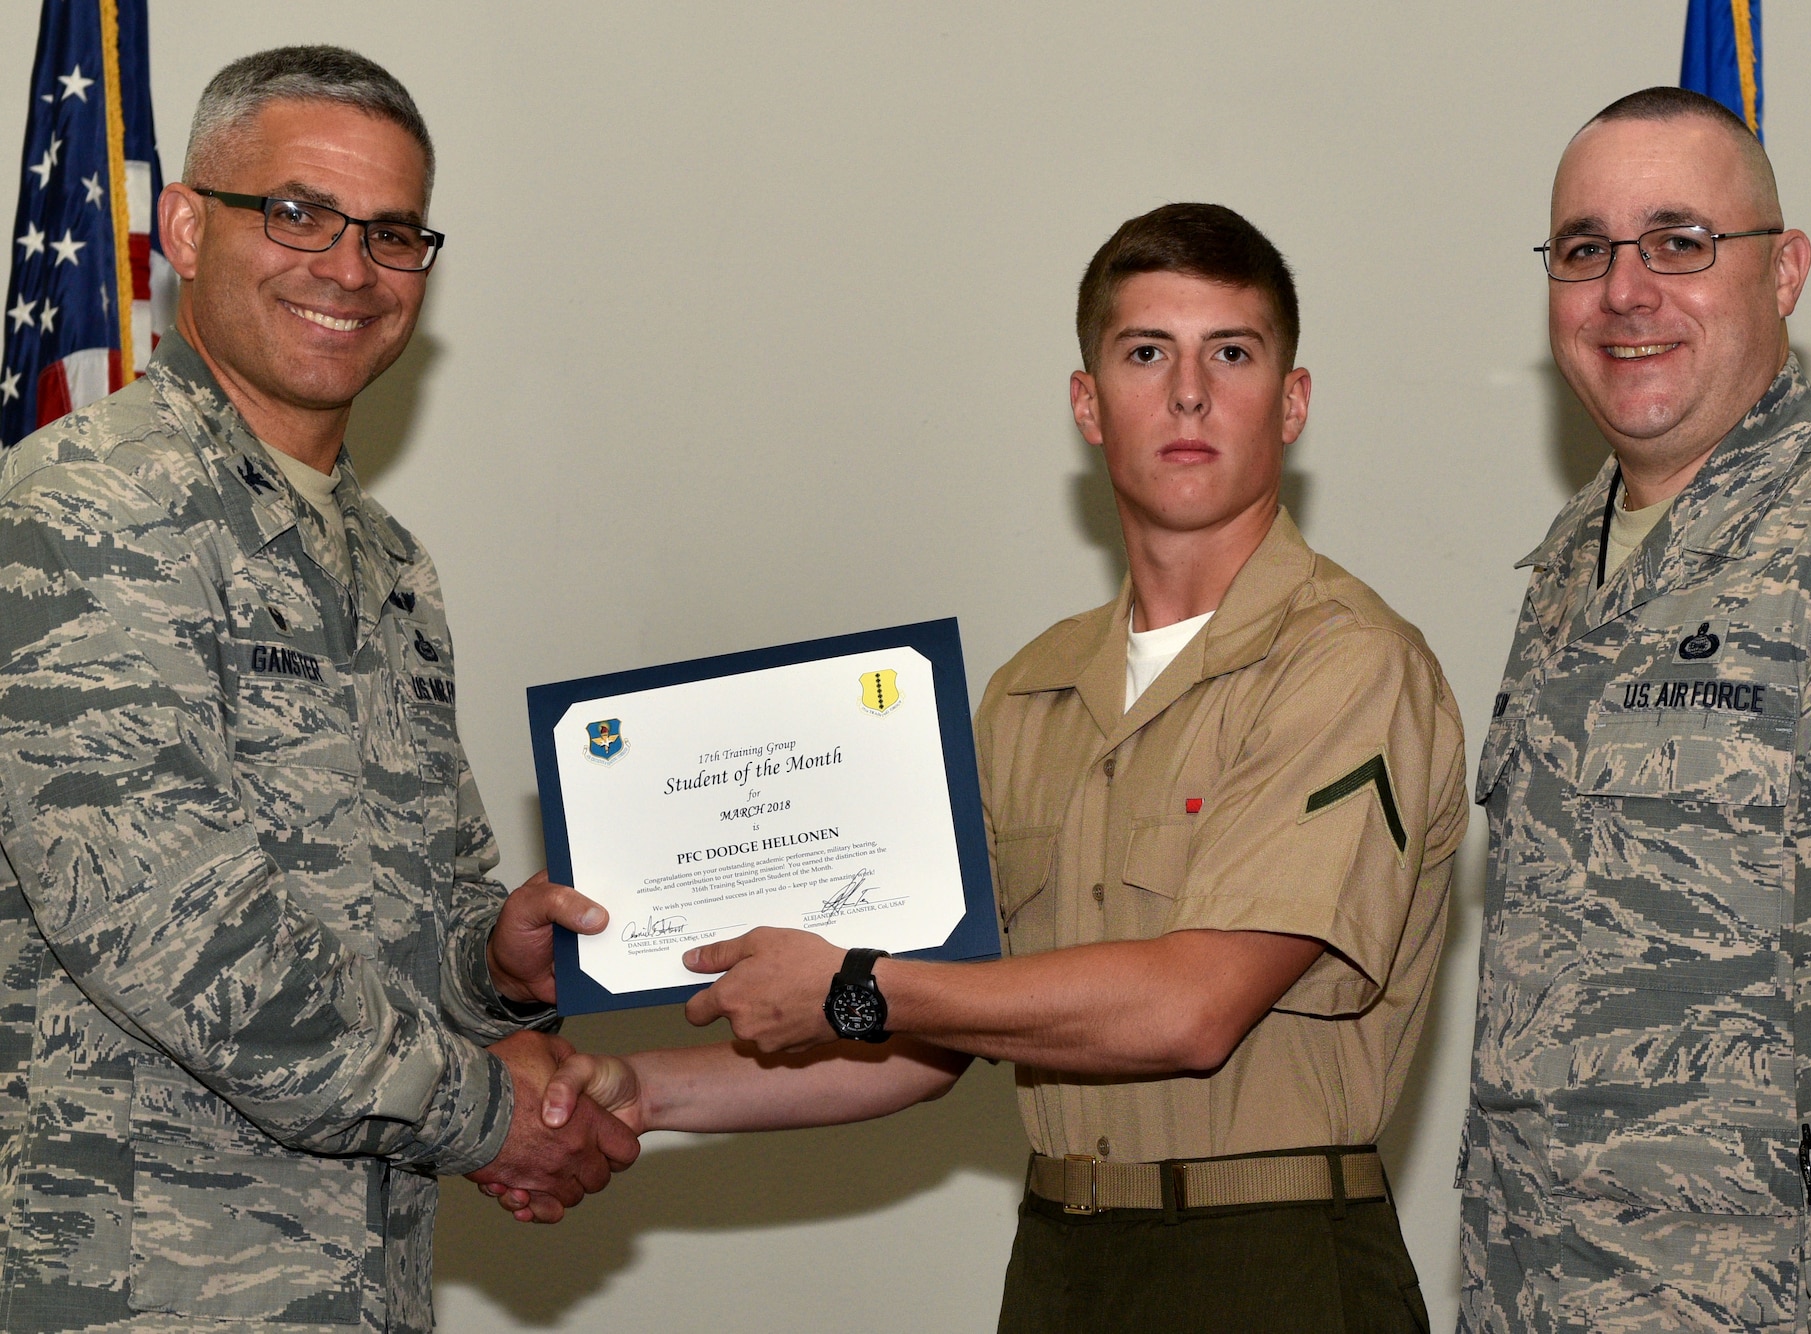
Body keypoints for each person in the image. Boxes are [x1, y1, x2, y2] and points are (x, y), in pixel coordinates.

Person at [499, 203, 1468, 1332]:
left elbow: (1193, 1006)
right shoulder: (1029, 693)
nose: (1189, 393)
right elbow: (925, 1044)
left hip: (1274, 1263)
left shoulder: (1346, 664)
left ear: (1290, 402)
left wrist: (858, 980)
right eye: (1145, 352)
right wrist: (638, 1088)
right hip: (1063, 1260)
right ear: (1087, 403)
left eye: (1232, 353)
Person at [0, 46, 636, 1332]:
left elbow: (408, 912)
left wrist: (497, 964)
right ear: (184, 227)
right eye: (295, 212)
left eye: (392, 233)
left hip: (357, 1282)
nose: (347, 267)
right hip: (135, 1286)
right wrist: (494, 1115)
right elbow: (179, 931)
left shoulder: (388, 563)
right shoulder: (88, 511)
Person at [1459, 86, 1811, 1331]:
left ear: (1784, 269)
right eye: (1583, 249)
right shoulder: (1570, 564)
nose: (1624, 290)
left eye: (1679, 240)